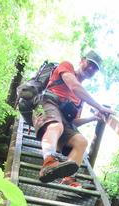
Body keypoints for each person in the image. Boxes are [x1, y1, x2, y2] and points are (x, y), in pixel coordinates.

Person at [32, 50, 113, 188]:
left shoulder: (80, 100)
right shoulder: (66, 66)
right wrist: (99, 107)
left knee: (81, 141)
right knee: (56, 126)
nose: (91, 69)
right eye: (90, 64)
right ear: (82, 60)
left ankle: (68, 179)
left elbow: (74, 122)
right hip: (47, 103)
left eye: (95, 68)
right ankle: (49, 163)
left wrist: (92, 118)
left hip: (64, 120)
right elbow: (74, 86)